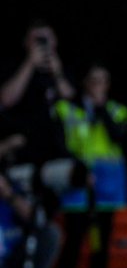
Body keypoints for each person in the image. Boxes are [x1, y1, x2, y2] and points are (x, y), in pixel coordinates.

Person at [48, 64, 127, 268]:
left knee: (101, 240)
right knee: (74, 236)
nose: (98, 85)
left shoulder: (116, 110)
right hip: (78, 180)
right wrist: (79, 172)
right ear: (84, 83)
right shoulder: (67, 110)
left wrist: (101, 108)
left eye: (103, 81)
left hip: (107, 184)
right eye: (94, 80)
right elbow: (59, 143)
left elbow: (119, 137)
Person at [0, 21, 74, 166]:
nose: (43, 43)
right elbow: (6, 100)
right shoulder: (13, 66)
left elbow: (71, 99)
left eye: (46, 38)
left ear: (55, 41)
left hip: (58, 147)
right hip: (25, 150)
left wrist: (57, 73)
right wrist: (30, 63)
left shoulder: (61, 68)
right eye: (37, 39)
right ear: (26, 42)